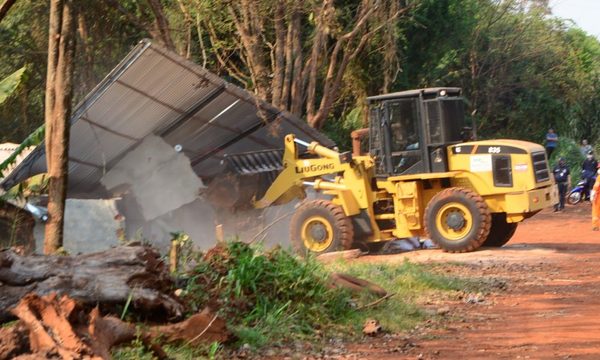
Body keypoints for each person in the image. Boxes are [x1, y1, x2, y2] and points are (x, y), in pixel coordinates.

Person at [591, 165, 600, 230]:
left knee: (596, 211)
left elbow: (596, 186)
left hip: (598, 196)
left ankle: (596, 226)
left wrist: (592, 194)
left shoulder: (599, 177)